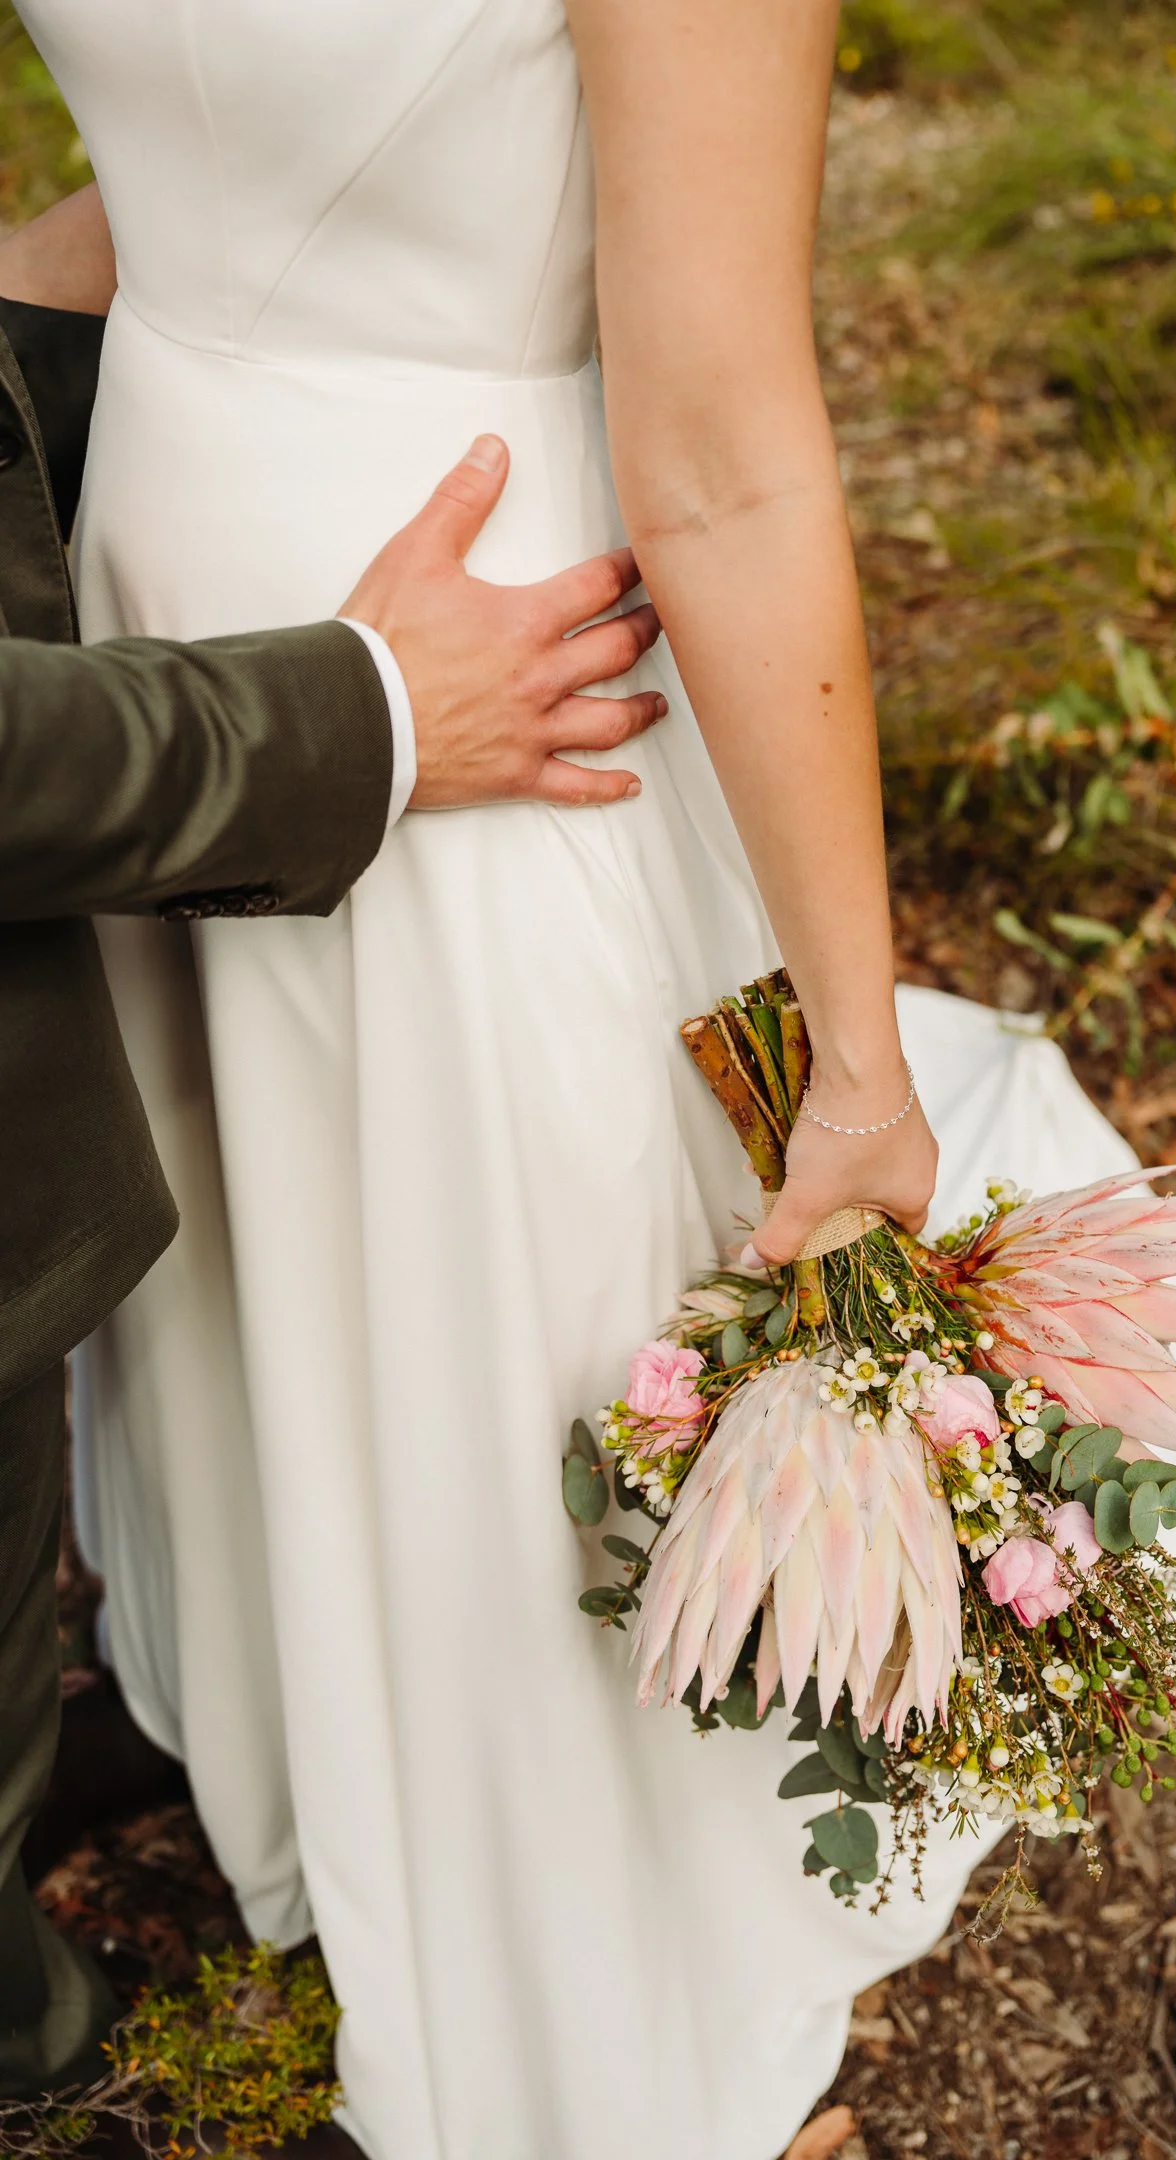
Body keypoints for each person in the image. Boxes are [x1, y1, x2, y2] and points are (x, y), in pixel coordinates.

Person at [14, 6, 1176, 2157]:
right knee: (431, 1262)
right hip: (403, 624)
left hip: (197, 579)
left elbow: (177, 161)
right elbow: (727, 456)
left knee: (370, 1238)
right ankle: (441, 1814)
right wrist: (853, 1069)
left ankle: (356, 1783)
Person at [0, 180, 667, 2106]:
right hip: (209, 663)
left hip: (203, 537)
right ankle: (29, 2042)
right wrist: (356, 712)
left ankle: (242, 1714)